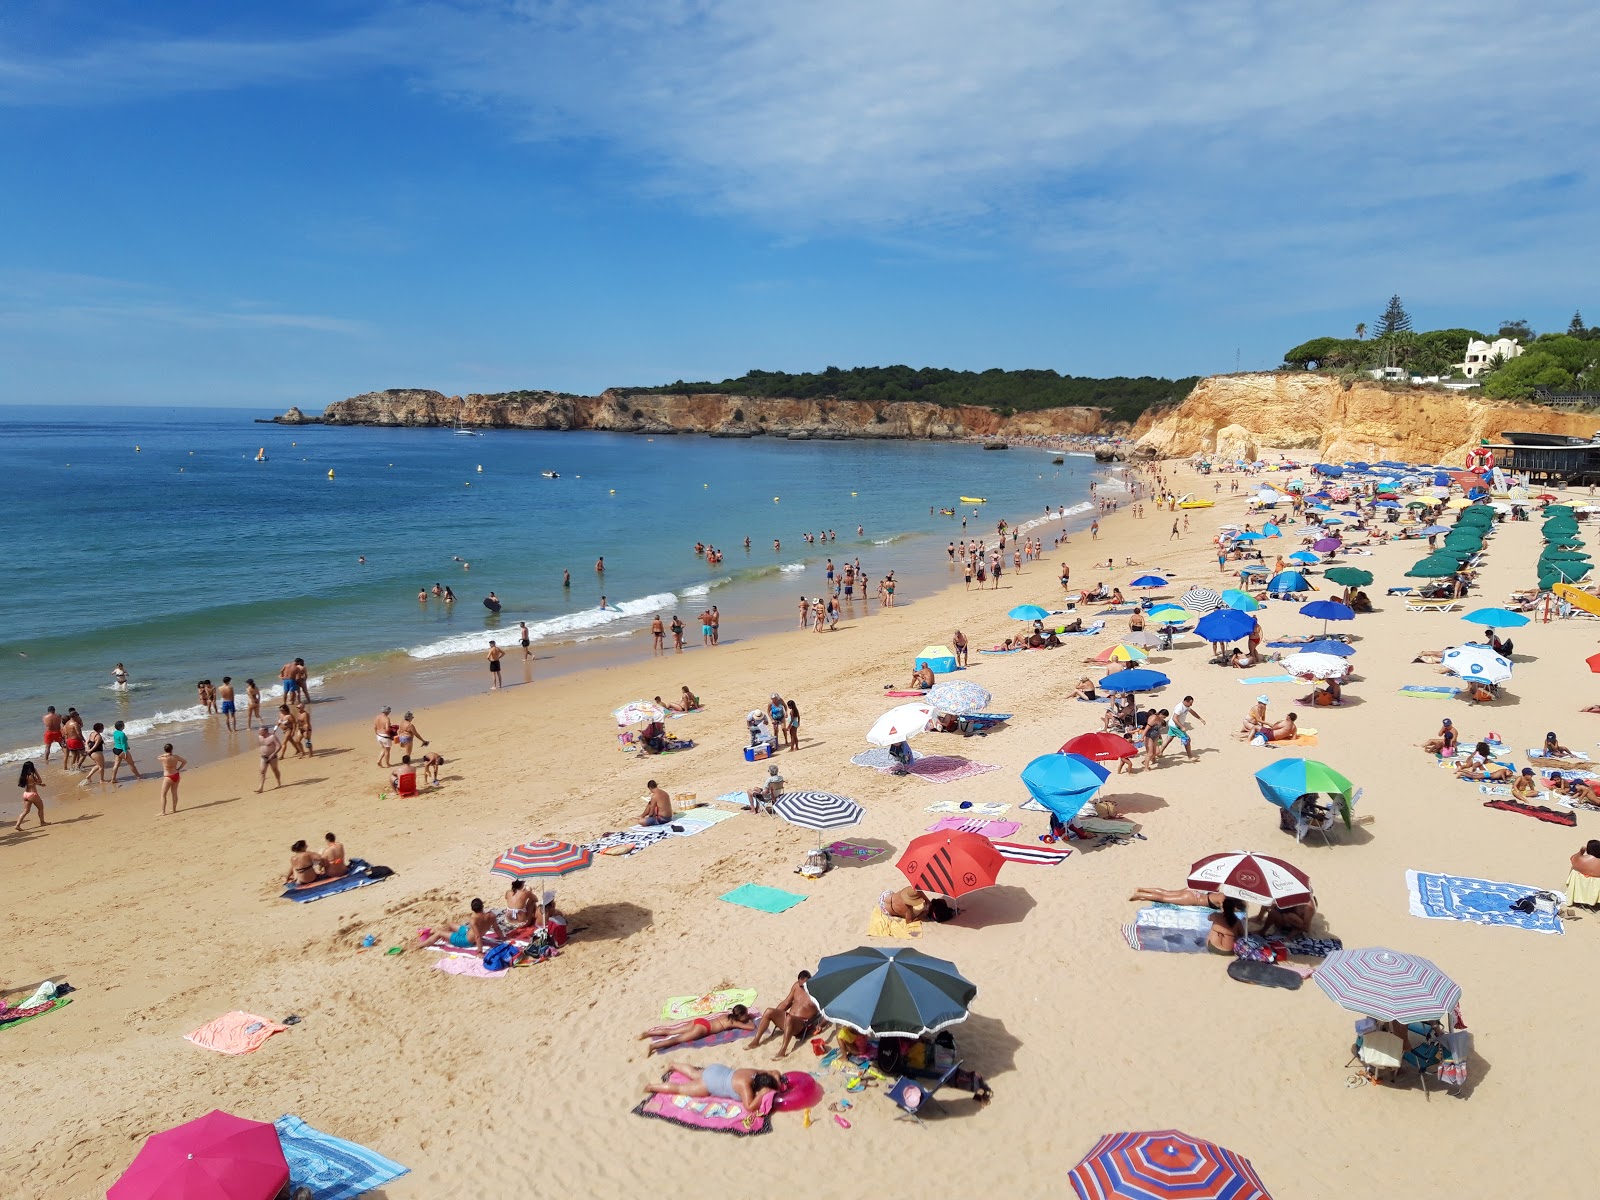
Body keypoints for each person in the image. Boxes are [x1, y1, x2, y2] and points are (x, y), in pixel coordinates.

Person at [748, 969, 823, 1058]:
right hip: (789, 1019)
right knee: (769, 1011)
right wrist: (776, 1013)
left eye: (804, 985)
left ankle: (782, 1051)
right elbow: (786, 1003)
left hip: (802, 1024)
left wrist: (821, 1024)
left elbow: (824, 1011)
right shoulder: (796, 986)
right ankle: (756, 1041)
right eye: (800, 985)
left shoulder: (816, 993)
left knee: (789, 1018)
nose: (802, 987)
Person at [644, 1063, 784, 1109]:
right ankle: (651, 1087)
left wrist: (776, 1081)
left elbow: (774, 1072)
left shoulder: (755, 1073)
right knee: (681, 1089)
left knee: (695, 1073)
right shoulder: (745, 1086)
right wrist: (762, 1095)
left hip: (717, 1069)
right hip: (710, 1084)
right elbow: (749, 1106)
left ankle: (673, 1064)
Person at [639, 1006, 756, 1054]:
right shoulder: (734, 1022)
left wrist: (745, 1016)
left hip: (701, 1021)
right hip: (704, 1029)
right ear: (740, 1016)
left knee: (671, 1031)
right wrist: (749, 1019)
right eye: (745, 1015)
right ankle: (653, 1046)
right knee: (678, 1039)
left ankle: (648, 1033)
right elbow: (751, 1027)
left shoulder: (727, 1016)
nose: (747, 1016)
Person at [14, 761, 46, 831]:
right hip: (33, 794)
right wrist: (36, 772)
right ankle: (42, 822)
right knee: (41, 808)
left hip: (26, 794)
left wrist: (40, 785)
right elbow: (40, 780)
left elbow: (31, 783)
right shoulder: (31, 775)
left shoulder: (24, 776)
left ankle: (17, 825)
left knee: (25, 811)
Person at [1129, 885, 1224, 908]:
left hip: (1195, 892)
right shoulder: (1224, 901)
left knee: (1166, 892)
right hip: (1193, 899)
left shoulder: (1223, 893)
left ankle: (1142, 889)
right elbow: (1224, 912)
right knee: (1163, 898)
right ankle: (1140, 895)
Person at [157, 744, 187, 815]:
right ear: (172, 749)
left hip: (168, 776)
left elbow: (158, 757)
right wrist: (179, 769)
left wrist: (164, 754)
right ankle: (174, 809)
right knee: (174, 793)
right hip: (176, 775)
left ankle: (163, 812)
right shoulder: (176, 757)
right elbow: (184, 762)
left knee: (163, 794)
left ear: (165, 750)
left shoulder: (163, 758)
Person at [256, 726, 283, 792]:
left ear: (265, 731)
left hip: (272, 757)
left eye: (260, 731)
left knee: (275, 770)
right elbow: (261, 745)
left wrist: (273, 754)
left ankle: (278, 782)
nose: (259, 732)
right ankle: (260, 787)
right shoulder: (260, 737)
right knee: (262, 771)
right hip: (263, 757)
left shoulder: (272, 737)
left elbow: (279, 746)